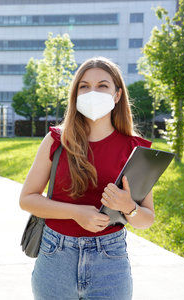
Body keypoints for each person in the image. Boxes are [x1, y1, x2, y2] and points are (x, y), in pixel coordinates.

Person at [19, 57, 154, 300]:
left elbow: (147, 219)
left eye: (103, 86)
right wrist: (76, 213)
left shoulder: (135, 149)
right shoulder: (56, 141)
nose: (93, 92)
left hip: (110, 261)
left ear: (117, 95)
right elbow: (27, 199)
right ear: (75, 95)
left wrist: (128, 207)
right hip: (55, 256)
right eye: (84, 86)